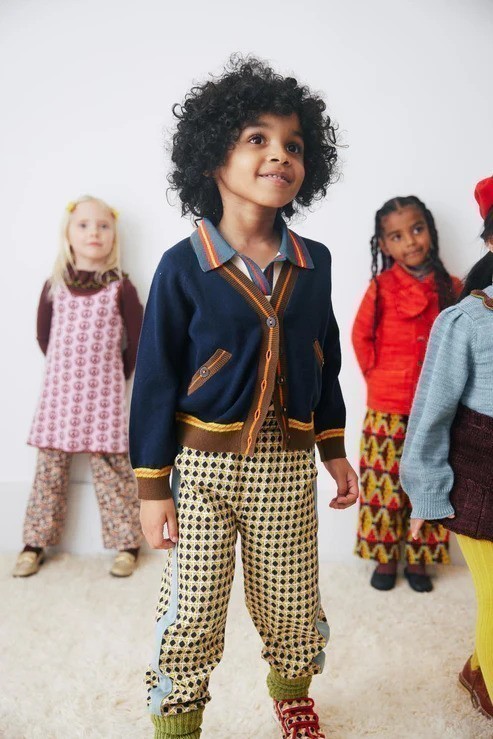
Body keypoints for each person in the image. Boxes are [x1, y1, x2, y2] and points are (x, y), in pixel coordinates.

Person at [130, 56, 358, 739]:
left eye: (294, 144)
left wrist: (333, 448)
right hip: (200, 468)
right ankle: (177, 717)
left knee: (291, 598)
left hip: (285, 465)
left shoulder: (313, 263)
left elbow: (324, 358)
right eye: (257, 138)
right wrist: (151, 486)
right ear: (212, 157)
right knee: (193, 607)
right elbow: (154, 378)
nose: (279, 154)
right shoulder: (182, 266)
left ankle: (292, 691)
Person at [401, 176, 493, 720]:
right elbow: (430, 415)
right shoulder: (466, 321)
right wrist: (427, 494)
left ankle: (478, 668)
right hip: (483, 484)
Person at [13, 195, 143, 579]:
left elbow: (137, 342)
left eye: (103, 226)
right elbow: (44, 337)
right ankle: (34, 545)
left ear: (113, 235)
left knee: (113, 474)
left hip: (103, 400)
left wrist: (115, 375)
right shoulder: (54, 286)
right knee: (49, 473)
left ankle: (127, 544)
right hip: (59, 398)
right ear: (68, 234)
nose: (94, 233)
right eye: (84, 225)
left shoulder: (121, 287)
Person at [352, 196, 462, 591]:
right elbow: (361, 338)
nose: (411, 241)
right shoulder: (380, 288)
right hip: (386, 409)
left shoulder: (453, 288)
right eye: (397, 236)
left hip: (436, 410)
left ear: (430, 230)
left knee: (431, 482)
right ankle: (385, 560)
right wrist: (380, 378)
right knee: (383, 485)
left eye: (417, 229)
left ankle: (420, 560)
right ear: (384, 245)